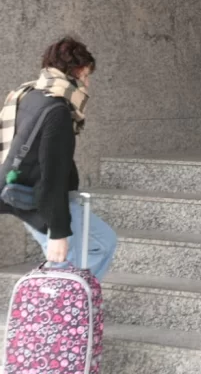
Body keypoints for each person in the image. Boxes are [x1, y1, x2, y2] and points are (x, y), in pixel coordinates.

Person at [0, 38, 117, 280]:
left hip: (26, 192)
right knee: (66, 267)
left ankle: (73, 296)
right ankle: (61, 298)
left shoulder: (30, 93)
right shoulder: (57, 111)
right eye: (86, 76)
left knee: (104, 242)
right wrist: (58, 232)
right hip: (41, 199)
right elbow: (52, 176)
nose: (88, 83)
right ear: (76, 71)